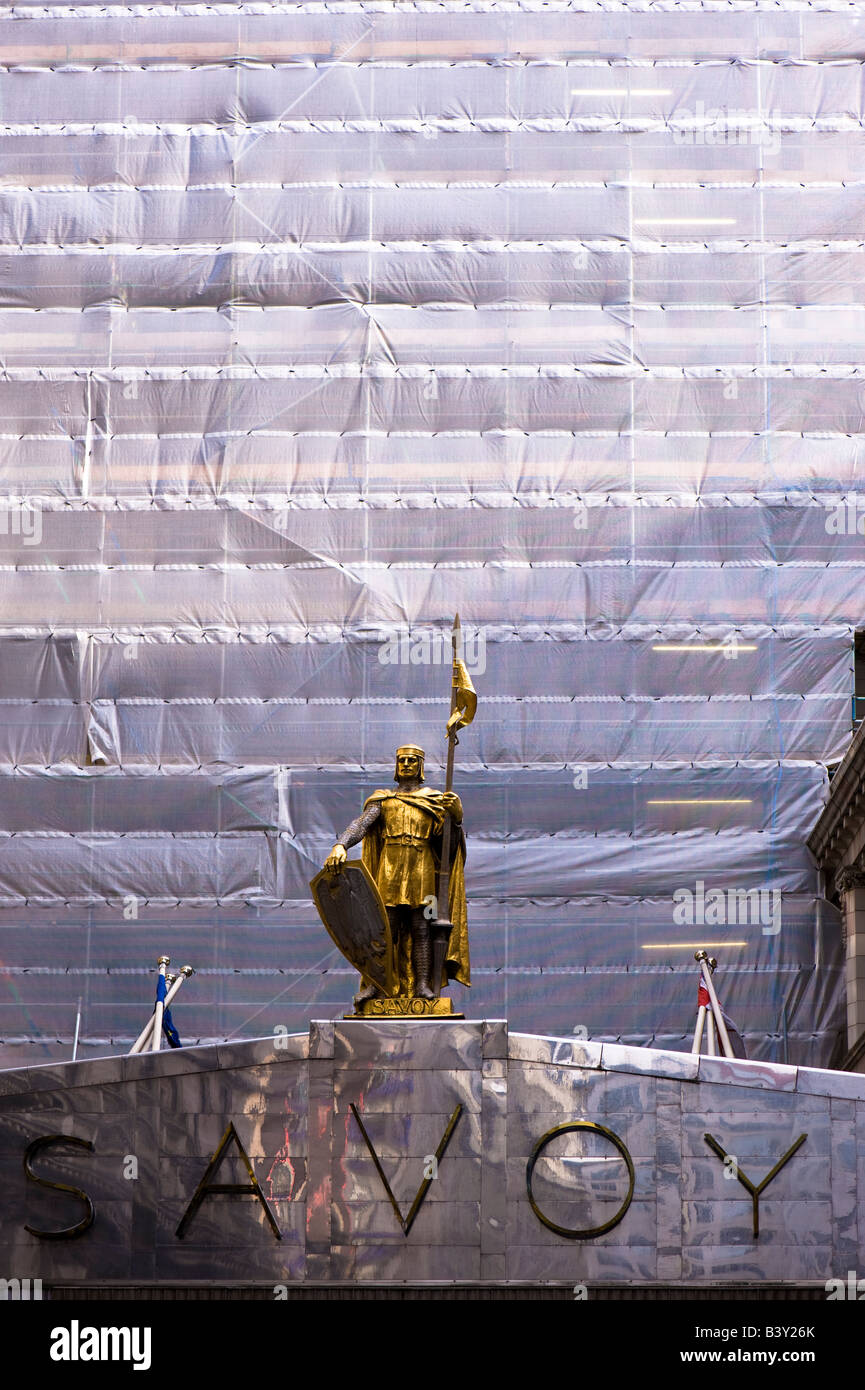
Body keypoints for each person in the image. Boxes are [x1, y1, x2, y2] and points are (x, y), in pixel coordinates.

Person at [324, 744, 469, 1006]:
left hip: (423, 873)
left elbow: (447, 847)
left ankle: (423, 985)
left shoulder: (435, 801)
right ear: (396, 765)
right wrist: (341, 844)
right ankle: (377, 985)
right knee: (384, 930)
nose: (406, 764)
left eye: (412, 760)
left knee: (422, 927)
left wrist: (456, 819)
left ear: (420, 766)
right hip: (389, 873)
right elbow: (361, 825)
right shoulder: (384, 800)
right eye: (402, 760)